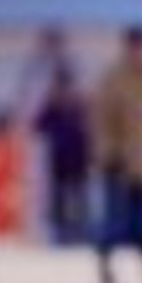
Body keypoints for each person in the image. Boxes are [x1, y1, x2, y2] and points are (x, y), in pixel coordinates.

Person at [91, 27, 142, 283]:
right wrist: (107, 153)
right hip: (120, 162)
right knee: (116, 219)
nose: (140, 52)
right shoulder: (113, 78)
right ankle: (105, 268)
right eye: (136, 46)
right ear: (128, 48)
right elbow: (101, 120)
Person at [34, 68, 91, 244]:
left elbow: (90, 129)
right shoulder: (53, 106)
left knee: (79, 197)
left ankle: (79, 231)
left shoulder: (79, 105)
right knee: (58, 198)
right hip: (59, 160)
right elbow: (38, 125)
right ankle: (60, 232)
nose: (65, 90)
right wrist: (50, 104)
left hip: (78, 159)